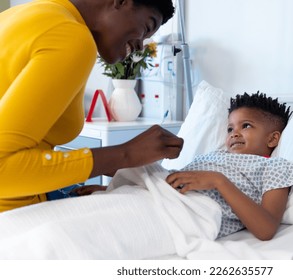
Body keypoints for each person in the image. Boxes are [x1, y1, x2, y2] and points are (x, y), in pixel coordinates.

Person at [0, 0, 183, 212]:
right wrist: (125, 154)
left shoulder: (23, 15)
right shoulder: (71, 37)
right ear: (121, 2)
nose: (141, 45)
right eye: (147, 27)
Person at [166, 92, 293, 240]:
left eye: (246, 126)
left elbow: (266, 229)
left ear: (272, 139)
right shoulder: (212, 155)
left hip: (190, 213)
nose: (234, 134)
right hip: (164, 192)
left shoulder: (274, 166)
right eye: (230, 129)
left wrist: (218, 181)